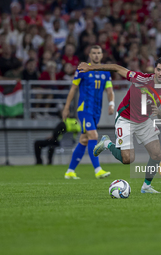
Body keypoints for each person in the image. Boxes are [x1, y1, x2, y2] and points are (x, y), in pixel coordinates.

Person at [84, 57, 161, 194]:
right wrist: (91, 67)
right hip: (125, 118)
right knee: (128, 159)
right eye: (158, 70)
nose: (160, 73)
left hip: (144, 121)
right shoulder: (141, 79)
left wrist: (160, 113)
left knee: (157, 154)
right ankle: (107, 143)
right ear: (155, 69)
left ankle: (146, 187)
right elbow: (116, 67)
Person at [62, 45, 114, 179]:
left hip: (97, 110)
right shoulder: (82, 69)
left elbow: (109, 90)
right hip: (84, 109)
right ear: (90, 55)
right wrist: (66, 107)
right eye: (94, 53)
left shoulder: (105, 72)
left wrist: (111, 103)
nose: (96, 55)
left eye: (99, 53)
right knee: (93, 135)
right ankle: (98, 170)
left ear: (102, 55)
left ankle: (70, 171)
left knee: (84, 140)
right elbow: (73, 89)